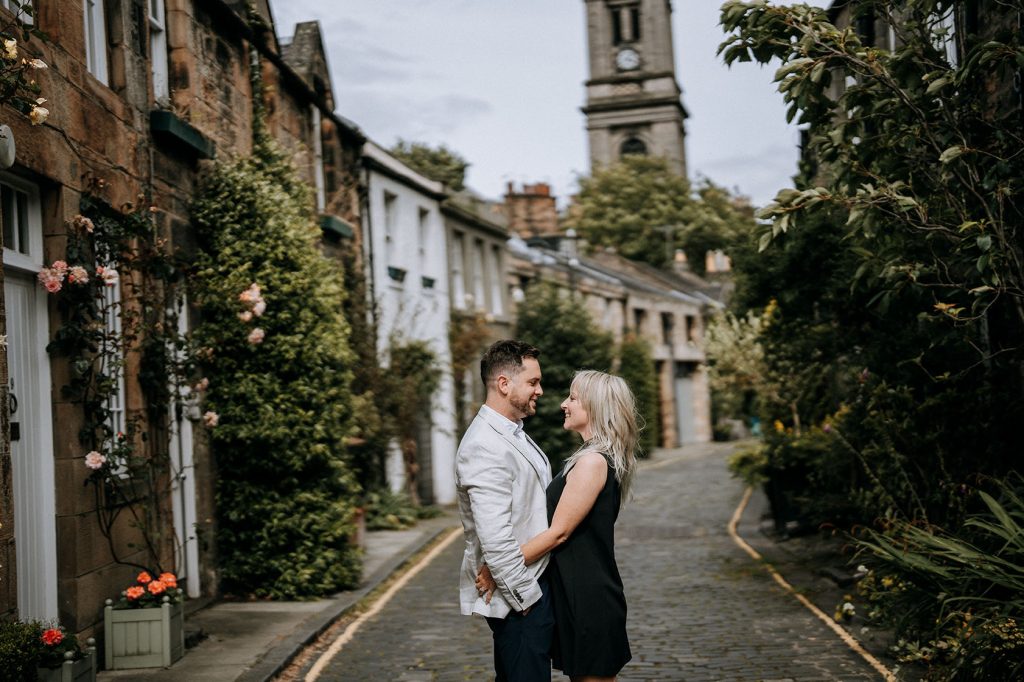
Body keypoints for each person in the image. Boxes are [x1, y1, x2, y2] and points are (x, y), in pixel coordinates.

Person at [478, 369, 638, 681]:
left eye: (573, 398)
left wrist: (499, 567)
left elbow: (558, 533)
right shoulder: (591, 457)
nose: (564, 403)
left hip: (589, 598)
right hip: (577, 592)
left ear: (594, 407)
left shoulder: (592, 462)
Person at [455, 339, 554, 682]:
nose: (539, 390)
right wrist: (526, 602)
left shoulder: (512, 433)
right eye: (533, 382)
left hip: (531, 585)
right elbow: (494, 537)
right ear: (503, 384)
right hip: (519, 596)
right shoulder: (485, 445)